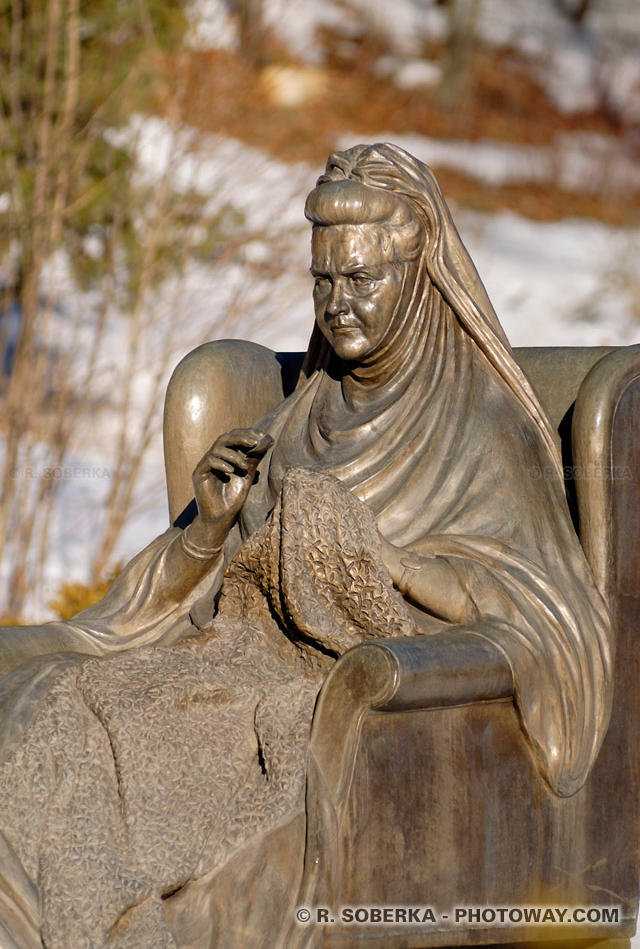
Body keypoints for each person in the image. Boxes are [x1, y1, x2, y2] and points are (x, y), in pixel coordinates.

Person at [0, 144, 611, 949]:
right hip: (226, 666)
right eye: (323, 282)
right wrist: (212, 525)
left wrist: (384, 561)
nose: (339, 304)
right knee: (51, 702)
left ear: (418, 273)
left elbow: (547, 617)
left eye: (362, 281)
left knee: (131, 761)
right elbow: (202, 591)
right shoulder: (298, 412)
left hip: (345, 702)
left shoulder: (484, 433)